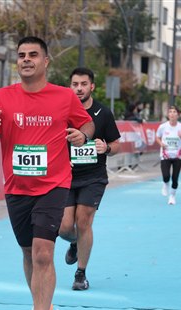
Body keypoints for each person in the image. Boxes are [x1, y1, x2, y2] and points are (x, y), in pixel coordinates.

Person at [0, 37, 94, 310]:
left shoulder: (64, 96)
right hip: (16, 188)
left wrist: (82, 136)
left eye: (33, 55)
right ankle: (42, 305)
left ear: (45, 61)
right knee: (28, 253)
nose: (26, 59)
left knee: (42, 253)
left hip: (54, 184)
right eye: (22, 55)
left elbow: (87, 125)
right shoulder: (2, 97)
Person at [59, 67, 121, 291]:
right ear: (70, 87)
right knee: (64, 227)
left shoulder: (103, 113)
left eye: (83, 84)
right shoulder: (61, 112)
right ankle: (75, 243)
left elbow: (116, 144)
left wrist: (106, 148)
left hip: (93, 178)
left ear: (92, 86)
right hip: (65, 177)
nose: (79, 88)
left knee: (84, 221)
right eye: (75, 84)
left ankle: (81, 273)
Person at [155, 105, 181, 205]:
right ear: (168, 114)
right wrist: (161, 144)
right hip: (165, 155)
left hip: (177, 155)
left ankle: (172, 196)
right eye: (170, 112)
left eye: (174, 112)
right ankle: (165, 183)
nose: (172, 114)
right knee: (166, 176)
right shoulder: (163, 127)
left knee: (175, 178)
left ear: (178, 115)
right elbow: (157, 137)